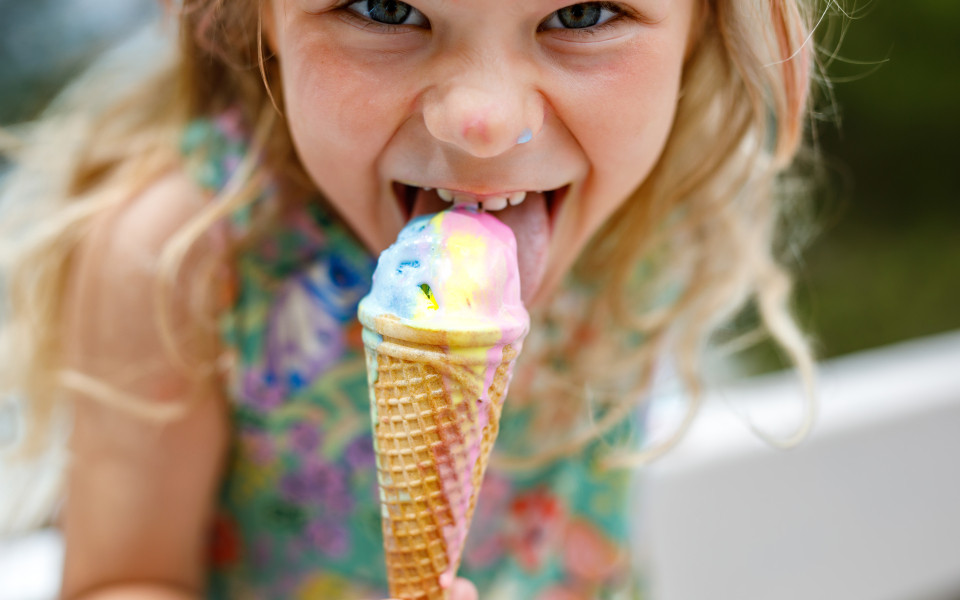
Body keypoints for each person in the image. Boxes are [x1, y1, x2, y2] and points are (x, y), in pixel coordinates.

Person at [0, 0, 822, 598]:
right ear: (257, 21)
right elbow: (123, 578)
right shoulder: (182, 256)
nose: (483, 121)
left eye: (581, 15)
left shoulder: (655, 214)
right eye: (386, 9)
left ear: (704, 29)